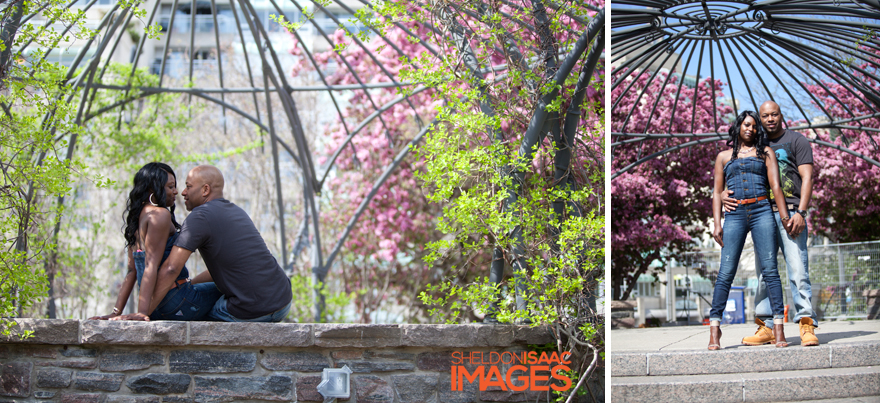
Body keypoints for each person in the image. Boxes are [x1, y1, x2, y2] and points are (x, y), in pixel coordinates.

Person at [131, 165, 292, 322]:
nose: (183, 192)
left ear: (205, 190)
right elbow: (224, 268)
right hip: (283, 301)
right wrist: (189, 284)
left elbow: (172, 268)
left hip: (253, 310)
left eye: (188, 186)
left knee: (192, 311)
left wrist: (144, 313)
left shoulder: (199, 216)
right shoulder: (236, 211)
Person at [723, 101, 820, 347]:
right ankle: (766, 325)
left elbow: (807, 177)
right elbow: (736, 172)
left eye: (774, 114)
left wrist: (801, 211)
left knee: (798, 269)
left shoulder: (797, 141)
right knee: (764, 273)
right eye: (764, 116)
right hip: (762, 214)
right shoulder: (755, 146)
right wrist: (723, 193)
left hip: (791, 214)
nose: (769, 119)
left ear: (781, 115)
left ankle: (806, 323)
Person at [90, 162, 222, 321]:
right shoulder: (159, 216)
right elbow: (150, 265)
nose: (176, 191)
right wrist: (143, 313)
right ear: (153, 189)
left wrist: (116, 312)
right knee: (230, 287)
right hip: (177, 301)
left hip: (157, 307)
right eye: (170, 186)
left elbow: (132, 271)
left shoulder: (137, 220)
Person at [709, 111, 791, 350]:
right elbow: (717, 192)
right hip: (734, 216)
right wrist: (717, 223)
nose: (751, 129)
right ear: (738, 127)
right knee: (726, 272)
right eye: (747, 125)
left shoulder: (765, 153)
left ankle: (778, 326)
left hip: (762, 211)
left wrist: (784, 217)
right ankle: (715, 329)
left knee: (770, 269)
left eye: (755, 126)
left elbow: (775, 185)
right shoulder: (723, 157)